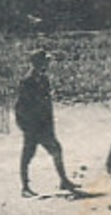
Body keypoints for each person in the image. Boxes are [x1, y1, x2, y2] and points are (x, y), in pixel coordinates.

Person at [14, 50, 78, 198]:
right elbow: (20, 106)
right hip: (32, 126)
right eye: (45, 61)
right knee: (27, 156)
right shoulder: (27, 81)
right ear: (38, 63)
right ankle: (25, 187)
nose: (48, 64)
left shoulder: (43, 79)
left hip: (44, 125)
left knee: (56, 149)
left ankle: (64, 181)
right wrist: (25, 126)